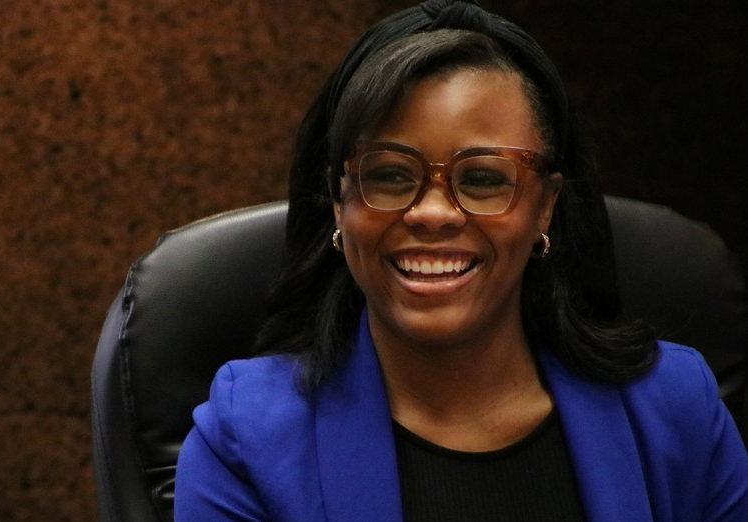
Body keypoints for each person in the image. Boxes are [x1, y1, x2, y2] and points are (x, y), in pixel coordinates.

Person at [174, 1, 748, 520]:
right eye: (389, 175)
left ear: (545, 207)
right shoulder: (245, 438)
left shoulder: (676, 408)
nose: (432, 213)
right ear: (338, 204)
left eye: (482, 178)